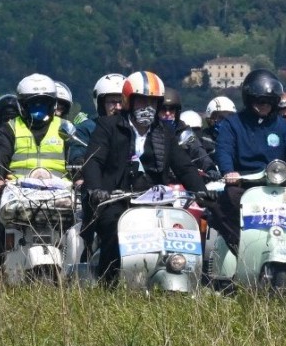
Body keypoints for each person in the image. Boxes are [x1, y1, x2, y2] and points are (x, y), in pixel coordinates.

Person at [80, 71, 206, 284]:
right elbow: (93, 161)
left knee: (177, 229)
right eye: (141, 101)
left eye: (153, 102)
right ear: (129, 101)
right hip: (114, 196)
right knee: (113, 227)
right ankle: (107, 283)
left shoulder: (164, 131)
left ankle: (184, 276)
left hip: (154, 198)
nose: (147, 107)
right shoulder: (108, 126)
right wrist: (95, 189)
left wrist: (201, 189)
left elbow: (183, 166)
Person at [207, 70, 286, 257]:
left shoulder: (283, 127)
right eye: (260, 101)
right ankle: (240, 246)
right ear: (249, 99)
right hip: (243, 184)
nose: (265, 106)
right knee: (222, 203)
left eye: (270, 102)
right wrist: (229, 172)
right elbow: (224, 150)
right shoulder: (233, 124)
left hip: (278, 185)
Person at [0, 73, 69, 266]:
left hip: (61, 193)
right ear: (22, 105)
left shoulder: (65, 128)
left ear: (53, 104)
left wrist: (81, 175)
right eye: (34, 103)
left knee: (84, 223)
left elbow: (79, 156)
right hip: (19, 192)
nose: (38, 108)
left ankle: (80, 267)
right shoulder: (11, 128)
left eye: (43, 103)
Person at [67, 73, 125, 167]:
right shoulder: (87, 128)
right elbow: (77, 149)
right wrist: (79, 161)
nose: (118, 107)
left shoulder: (135, 128)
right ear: (101, 104)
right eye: (113, 102)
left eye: (122, 102)